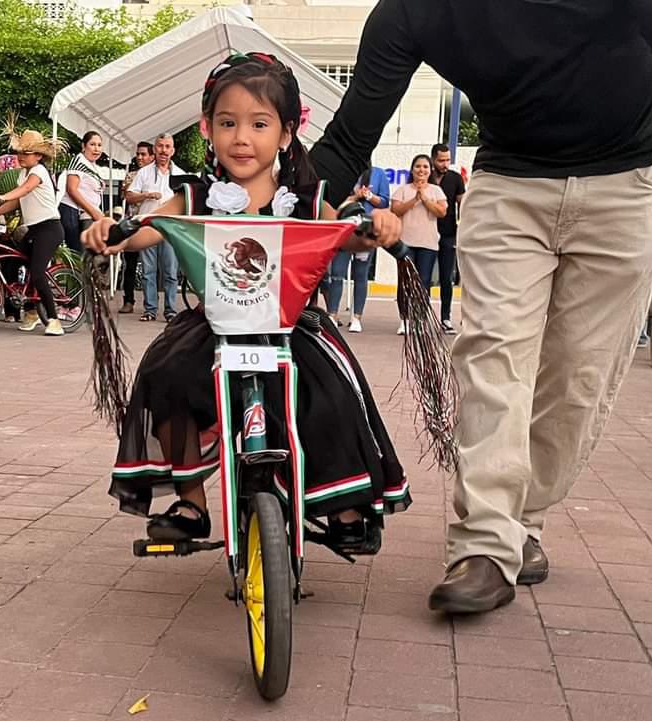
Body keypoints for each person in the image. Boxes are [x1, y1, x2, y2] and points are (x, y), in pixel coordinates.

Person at [310, 0, 652, 614]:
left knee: (578, 377)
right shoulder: (412, 11)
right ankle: (484, 544)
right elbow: (352, 134)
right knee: (492, 356)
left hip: (626, 181)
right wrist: (285, 205)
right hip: (510, 186)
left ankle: (523, 522)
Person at [84, 52, 411, 551]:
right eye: (228, 122)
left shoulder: (305, 199)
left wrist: (375, 229)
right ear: (207, 128)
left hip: (291, 325)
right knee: (163, 375)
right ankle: (192, 502)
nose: (242, 137)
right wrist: (113, 232)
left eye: (259, 124)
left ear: (284, 133)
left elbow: (344, 233)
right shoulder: (194, 195)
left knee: (333, 392)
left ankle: (344, 506)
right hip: (213, 324)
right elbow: (143, 231)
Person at [0, 129, 67, 336]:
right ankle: (31, 311)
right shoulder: (22, 173)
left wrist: (1, 196)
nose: (21, 156)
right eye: (19, 152)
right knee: (14, 260)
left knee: (38, 272)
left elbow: (25, 190)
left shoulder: (38, 171)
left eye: (27, 153)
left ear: (39, 156)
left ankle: (54, 320)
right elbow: (15, 201)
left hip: (49, 228)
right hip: (33, 229)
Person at [124, 133, 184, 322]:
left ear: (172, 150)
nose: (163, 150)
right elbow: (129, 196)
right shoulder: (144, 173)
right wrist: (146, 195)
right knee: (148, 271)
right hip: (148, 226)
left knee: (170, 272)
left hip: (170, 228)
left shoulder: (181, 175)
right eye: (160, 146)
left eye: (167, 147)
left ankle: (170, 310)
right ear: (155, 149)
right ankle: (150, 310)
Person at [325, 166, 389, 333]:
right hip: (344, 230)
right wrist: (356, 196)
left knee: (361, 275)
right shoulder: (345, 171)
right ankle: (332, 315)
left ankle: (357, 317)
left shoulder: (379, 174)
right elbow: (336, 201)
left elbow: (384, 202)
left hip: (367, 232)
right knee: (337, 273)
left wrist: (368, 196)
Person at [390, 154, 447, 335]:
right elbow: (395, 210)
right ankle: (405, 319)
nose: (421, 170)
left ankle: (419, 319)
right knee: (405, 281)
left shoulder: (436, 191)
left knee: (423, 281)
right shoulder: (403, 190)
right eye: (418, 166)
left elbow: (442, 212)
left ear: (430, 170)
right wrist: (415, 199)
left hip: (428, 243)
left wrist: (425, 198)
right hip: (406, 242)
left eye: (425, 167)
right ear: (412, 169)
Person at [430, 143, 465, 334]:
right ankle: (421, 318)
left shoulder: (455, 178)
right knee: (423, 278)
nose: (445, 164)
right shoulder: (426, 176)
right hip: (425, 233)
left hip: (448, 234)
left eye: (447, 160)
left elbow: (462, 204)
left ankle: (445, 317)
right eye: (441, 160)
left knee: (446, 278)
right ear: (433, 159)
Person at [119, 141, 153, 314]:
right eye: (138, 154)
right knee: (129, 264)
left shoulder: (158, 175)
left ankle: (151, 304)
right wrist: (146, 195)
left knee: (151, 267)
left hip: (150, 225)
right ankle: (128, 300)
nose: (140, 157)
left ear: (152, 156)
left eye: (143, 154)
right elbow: (127, 197)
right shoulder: (131, 176)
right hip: (133, 223)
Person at [61, 131, 106, 252]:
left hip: (85, 213)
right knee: (77, 251)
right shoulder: (79, 161)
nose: (96, 149)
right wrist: (93, 211)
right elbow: (71, 189)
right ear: (83, 146)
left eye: (99, 145)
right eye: (92, 144)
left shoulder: (92, 165)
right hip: (72, 211)